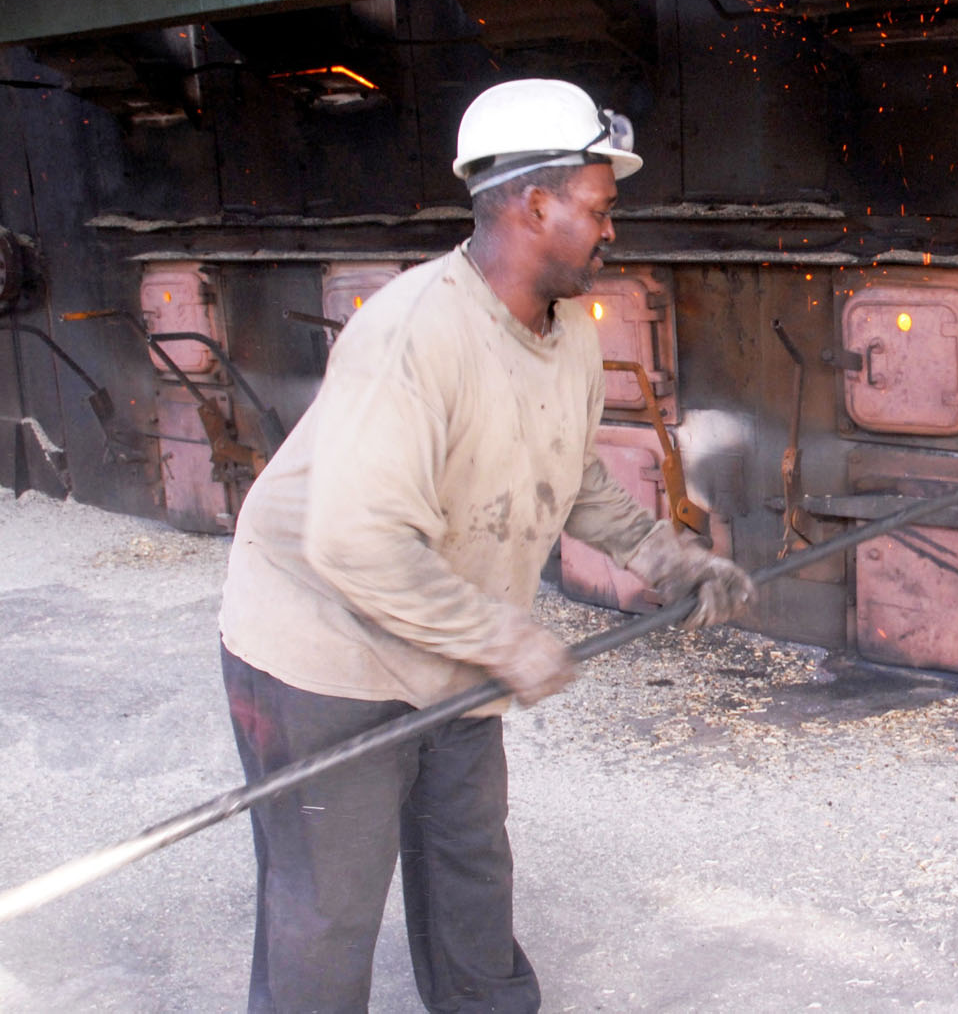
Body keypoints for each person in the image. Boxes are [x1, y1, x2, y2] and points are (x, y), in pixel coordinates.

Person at [217, 78, 755, 1013]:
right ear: (533, 201)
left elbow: (565, 471)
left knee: (468, 862)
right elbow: (354, 542)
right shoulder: (412, 332)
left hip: (450, 644)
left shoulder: (567, 336)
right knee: (328, 911)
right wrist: (501, 637)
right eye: (599, 207)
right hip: (323, 654)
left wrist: (669, 556)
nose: (610, 229)